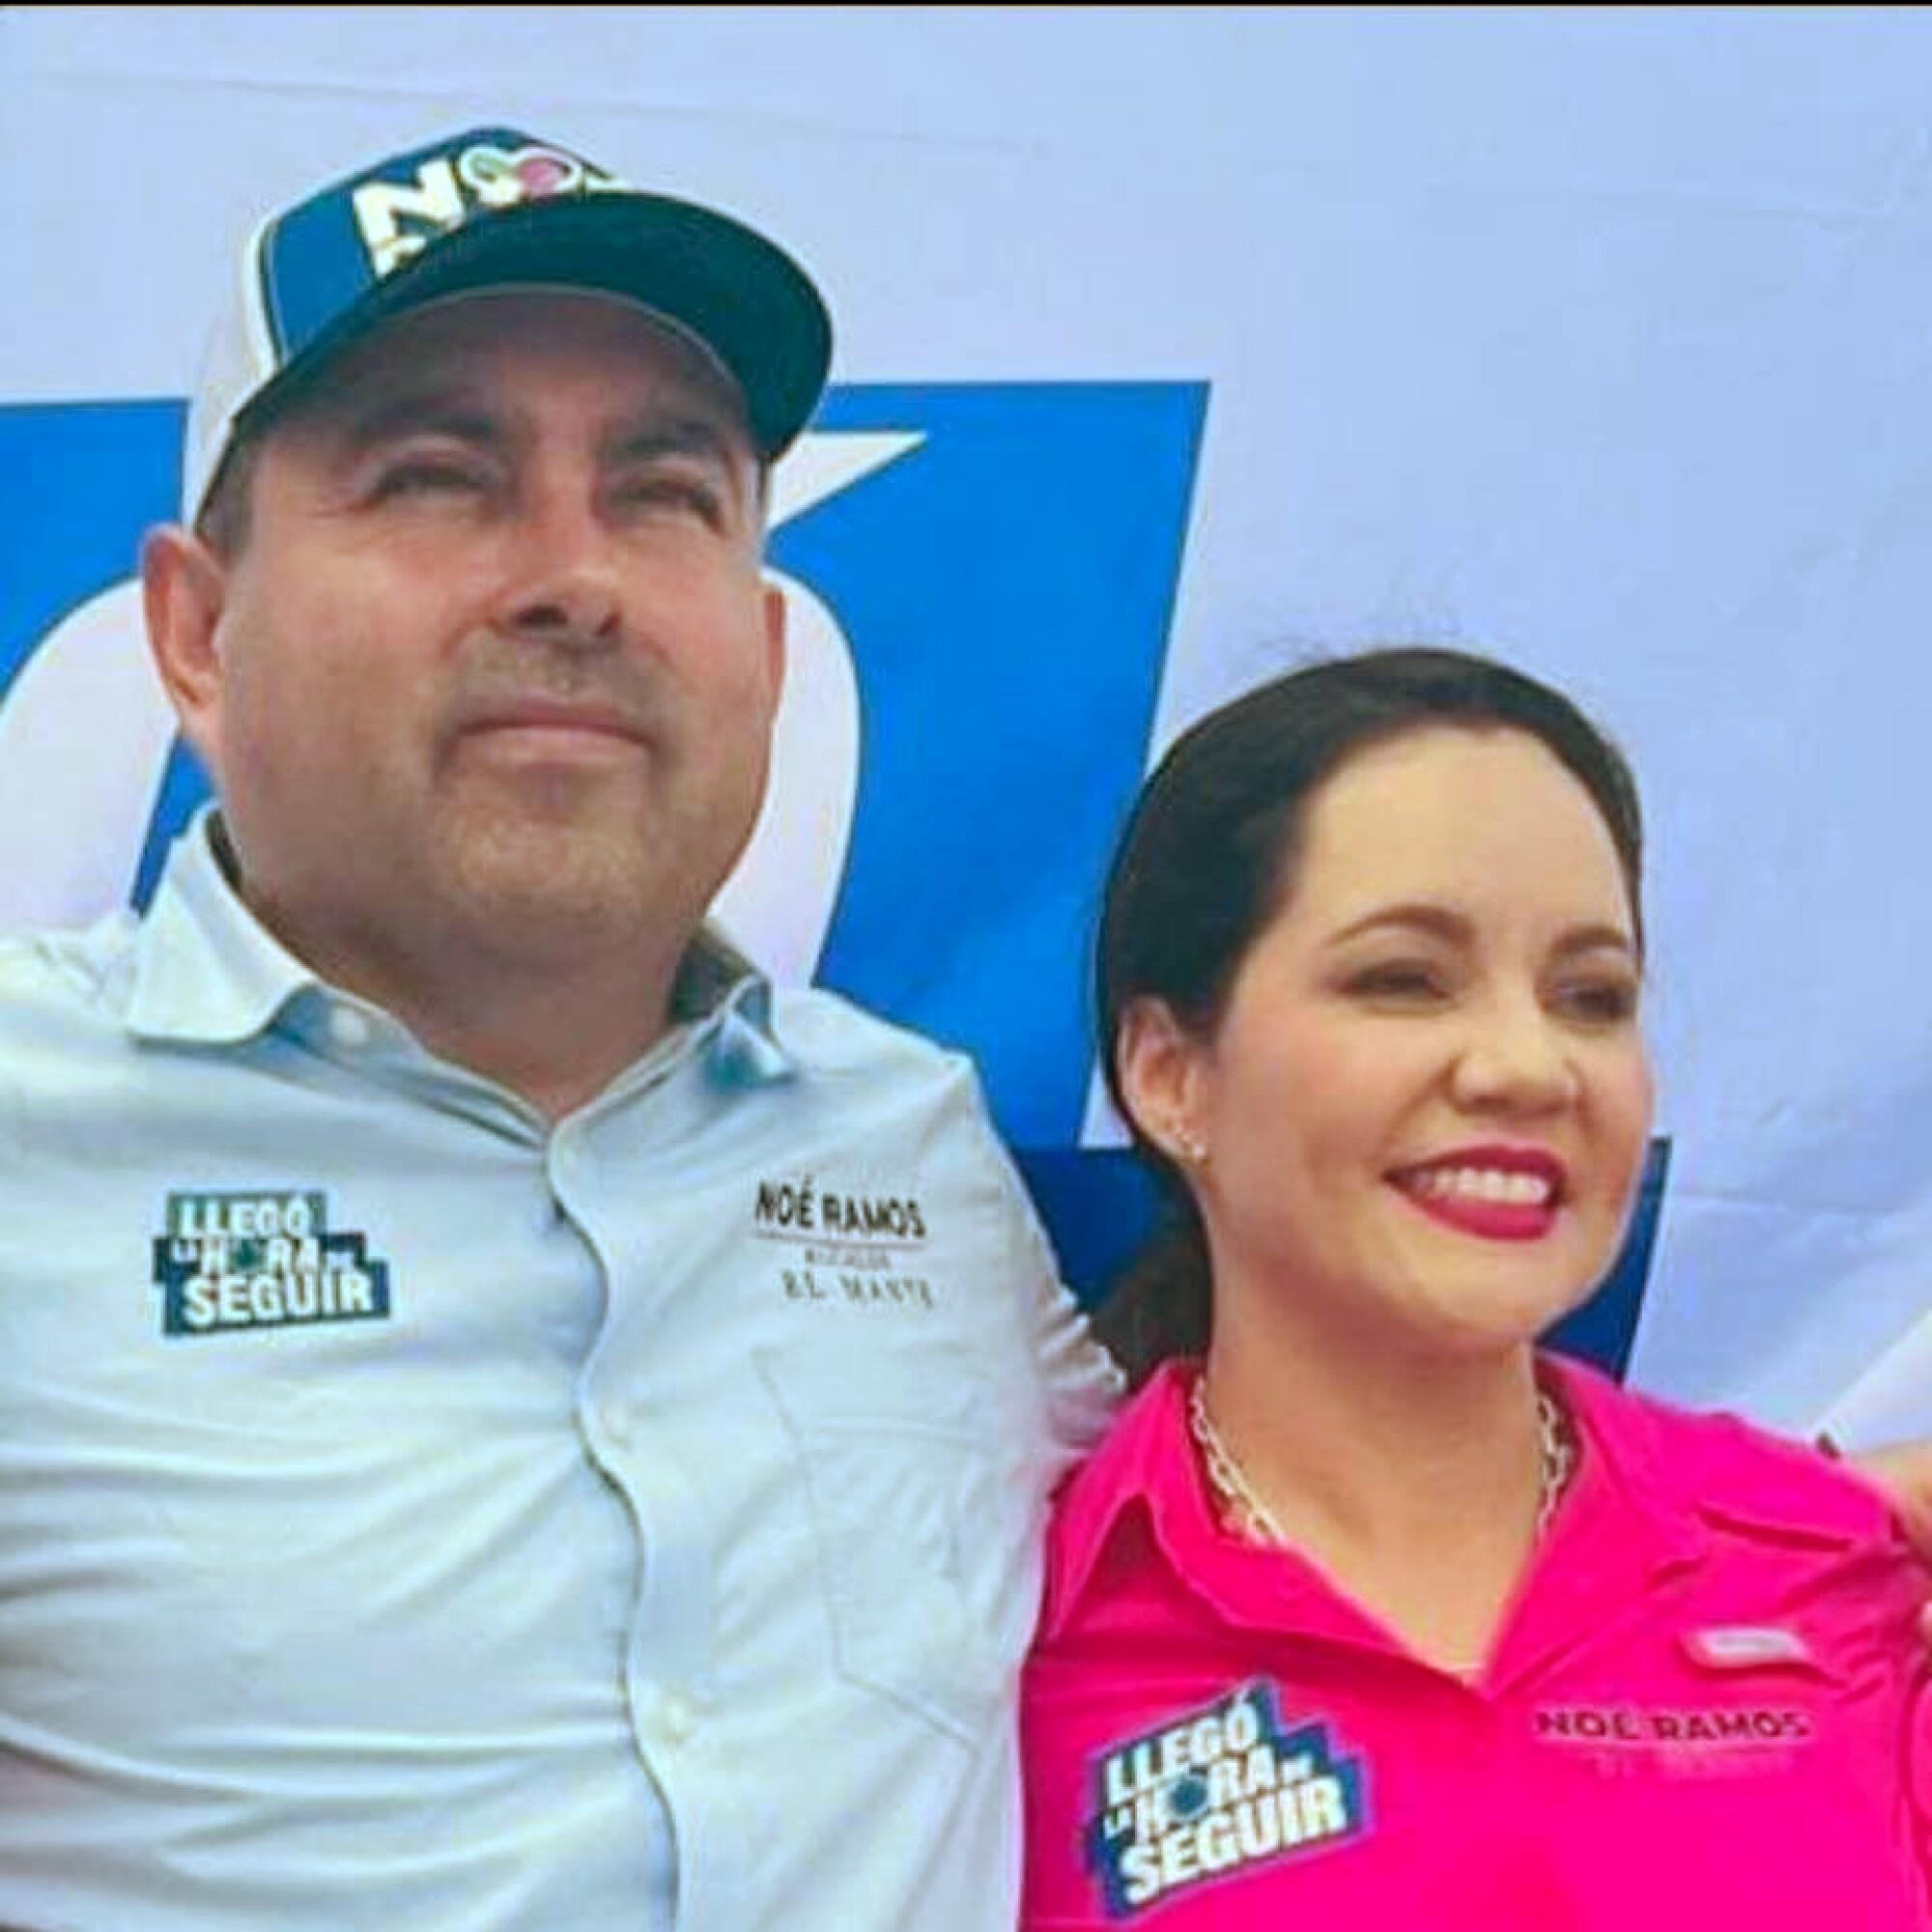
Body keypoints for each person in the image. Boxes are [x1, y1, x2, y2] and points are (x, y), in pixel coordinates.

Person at [0, 126, 1118, 1931]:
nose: (571, 578)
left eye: (664, 492)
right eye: (440, 476)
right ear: (196, 637)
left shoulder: (918, 1148)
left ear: (763, 646)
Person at [1021, 648, 1930, 1928]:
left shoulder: (1831, 1570)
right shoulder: (998, 1631)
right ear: (1171, 1073)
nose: (1528, 1066)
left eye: (1592, 997)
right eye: (1404, 979)